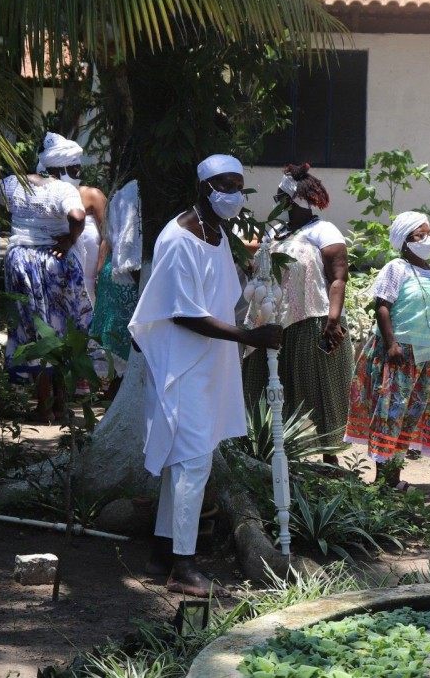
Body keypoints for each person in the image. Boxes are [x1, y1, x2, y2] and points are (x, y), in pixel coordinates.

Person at [129, 154, 282, 596]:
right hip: (183, 364)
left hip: (209, 364)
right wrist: (249, 336)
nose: (232, 195)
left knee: (185, 462)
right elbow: (183, 314)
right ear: (202, 189)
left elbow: (220, 297)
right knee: (193, 462)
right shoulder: (180, 239)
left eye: (238, 186)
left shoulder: (216, 234)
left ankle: (161, 557)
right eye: (223, 186)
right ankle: (184, 564)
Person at [0, 158, 90, 423]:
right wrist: (69, 240)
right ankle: (60, 406)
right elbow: (77, 217)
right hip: (54, 262)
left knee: (34, 331)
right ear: (61, 168)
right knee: (62, 331)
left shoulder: (13, 183)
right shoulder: (64, 189)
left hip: (20, 263)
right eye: (74, 169)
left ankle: (43, 408)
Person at [242, 163, 353, 466]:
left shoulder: (324, 231)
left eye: (281, 197)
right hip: (274, 322)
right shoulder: (274, 233)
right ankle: (273, 453)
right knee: (270, 386)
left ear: (294, 200)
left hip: (313, 320)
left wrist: (333, 320)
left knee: (319, 389)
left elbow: (338, 277)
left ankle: (330, 459)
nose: (276, 202)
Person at [345, 211, 430, 490]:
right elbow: (382, 306)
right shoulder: (396, 268)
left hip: (428, 356)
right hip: (400, 354)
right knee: (390, 413)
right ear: (405, 241)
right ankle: (383, 479)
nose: (427, 240)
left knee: (411, 415)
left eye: (429, 234)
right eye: (420, 235)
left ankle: (394, 477)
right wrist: (392, 343)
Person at [39, 132, 106, 305]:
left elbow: (109, 239)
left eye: (77, 168)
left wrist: (101, 276)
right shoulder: (42, 199)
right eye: (73, 168)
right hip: (55, 286)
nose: (78, 172)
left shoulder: (92, 196)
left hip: (91, 287)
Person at [90, 179, 140, 388]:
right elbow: (128, 243)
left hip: (114, 270)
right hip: (127, 275)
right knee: (125, 336)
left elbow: (109, 238)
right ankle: (118, 389)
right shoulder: (134, 193)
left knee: (114, 337)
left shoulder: (119, 191)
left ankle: (112, 388)